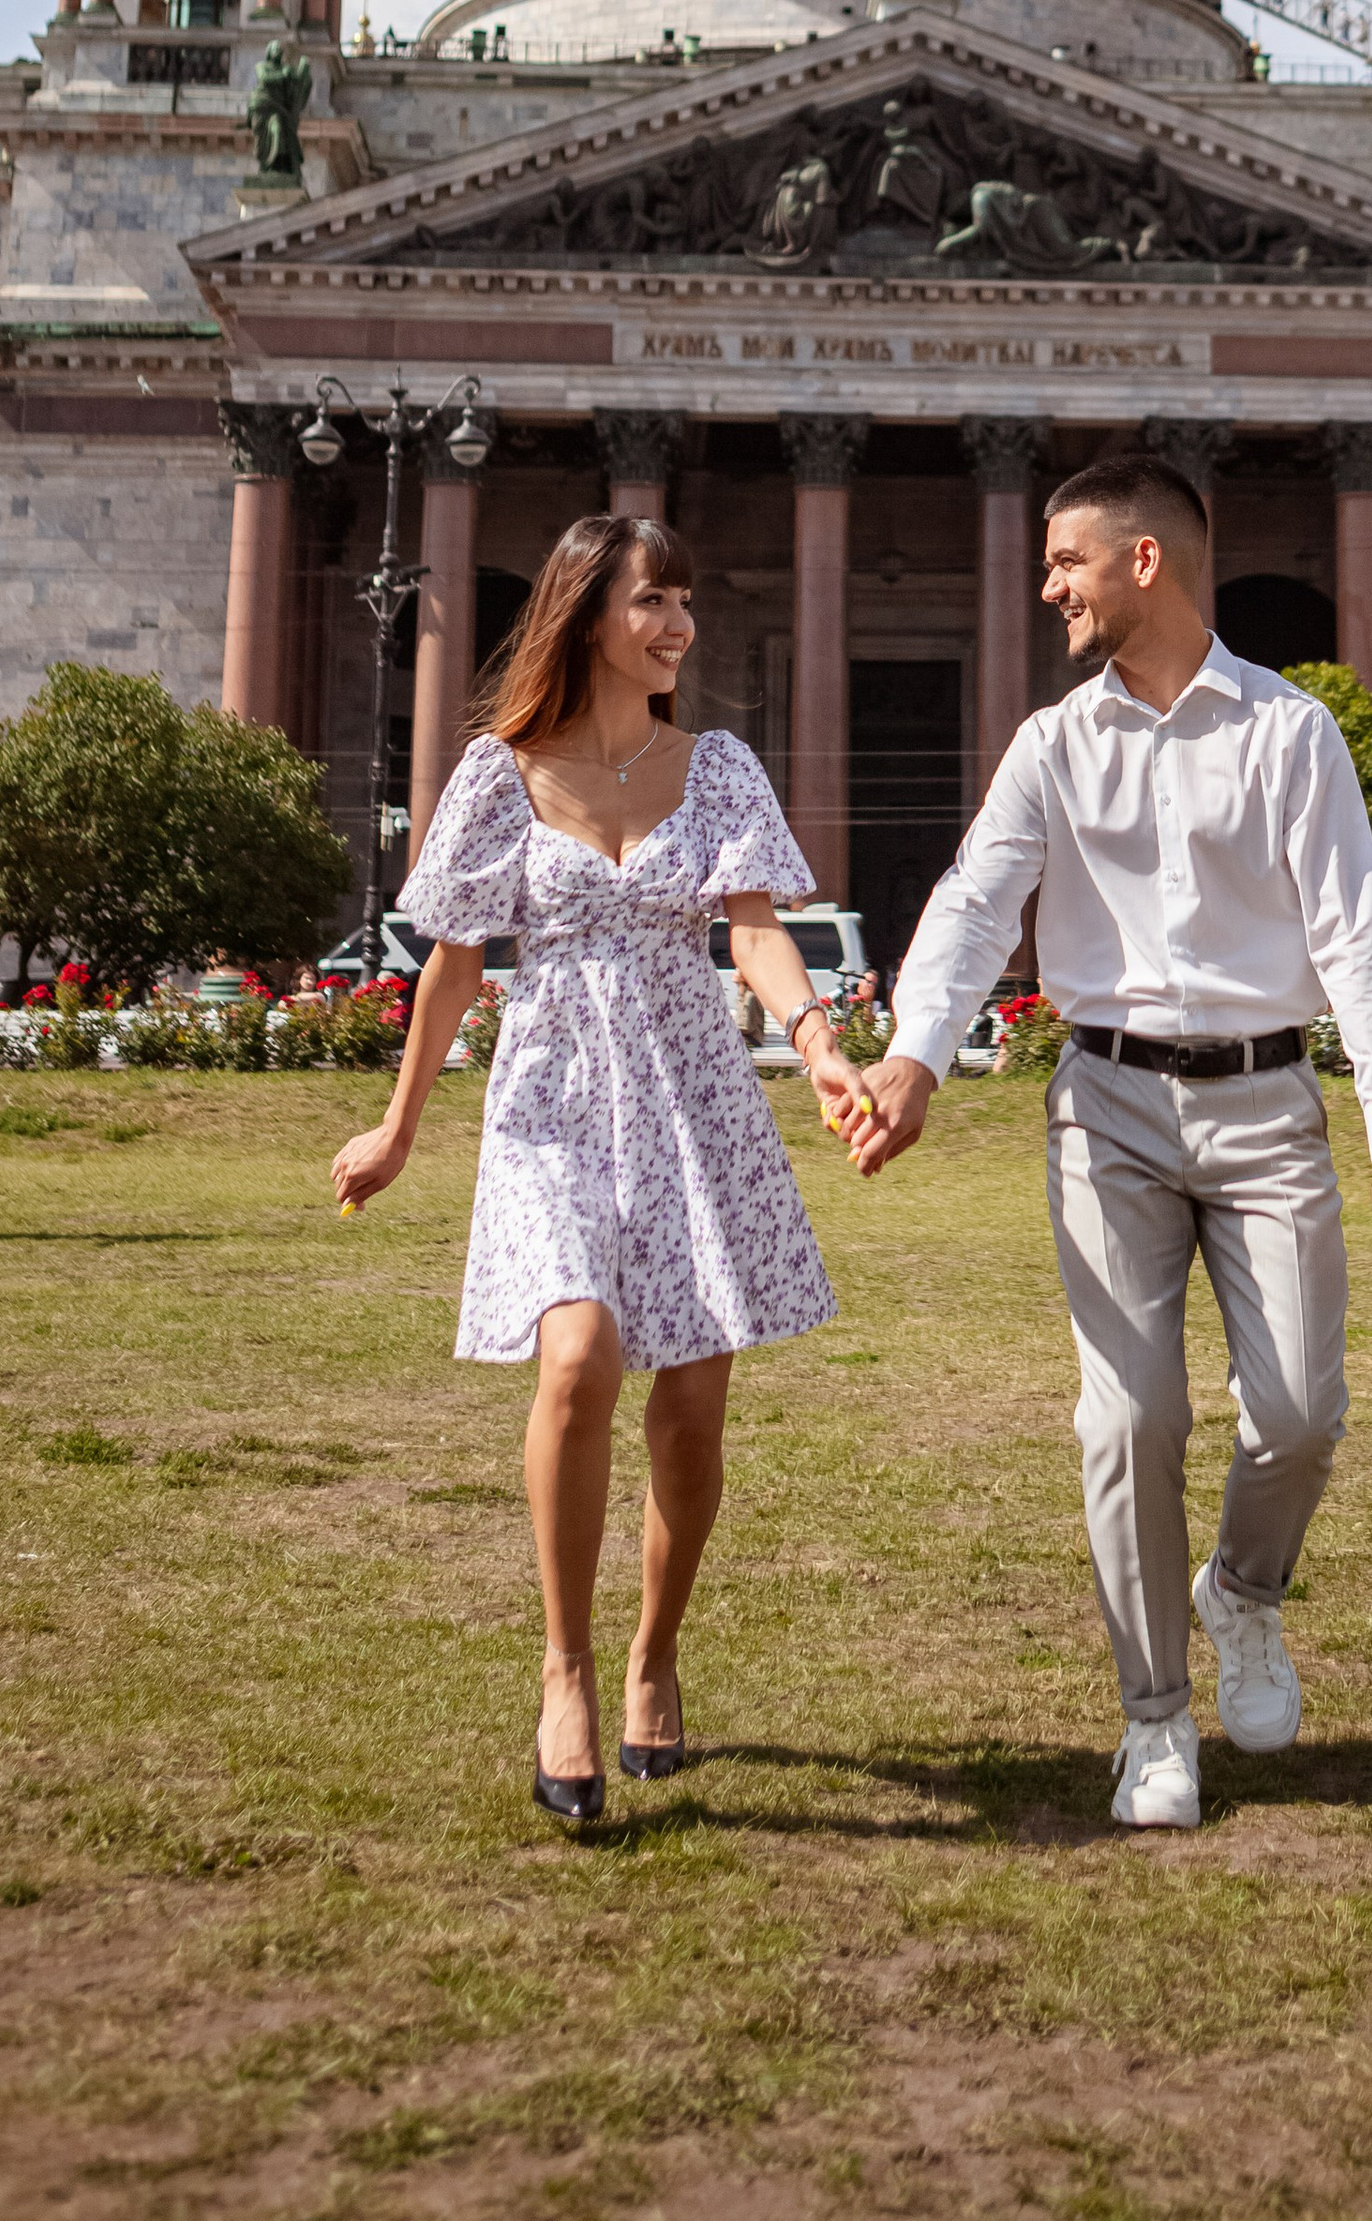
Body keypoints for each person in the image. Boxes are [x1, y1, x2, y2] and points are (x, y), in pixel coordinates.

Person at [852, 455, 1372, 1830]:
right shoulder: (1053, 745)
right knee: (1129, 1417)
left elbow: (1353, 937)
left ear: (1145, 561)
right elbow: (974, 902)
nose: (1047, 587)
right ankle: (1154, 1723)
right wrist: (916, 1054)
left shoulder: (1292, 733)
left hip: (1269, 1107)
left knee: (1298, 1417)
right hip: (1104, 1108)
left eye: (1066, 560)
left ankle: (1242, 1592)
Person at [332, 511, 871, 1826]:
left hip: (695, 1094)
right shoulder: (499, 774)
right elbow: (455, 963)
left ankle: (653, 1655)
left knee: (691, 1409)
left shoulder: (718, 765)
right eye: (651, 602)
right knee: (576, 1357)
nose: (678, 625)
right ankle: (564, 1667)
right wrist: (398, 1129)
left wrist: (818, 1043)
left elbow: (755, 930)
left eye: (685, 602)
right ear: (585, 617)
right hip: (555, 1092)